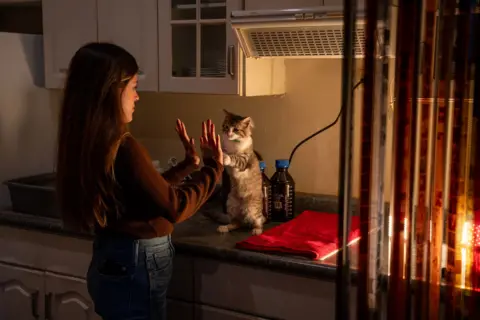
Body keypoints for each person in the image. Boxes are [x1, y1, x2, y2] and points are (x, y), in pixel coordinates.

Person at [56, 42, 224, 320]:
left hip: (111, 258)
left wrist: (186, 167)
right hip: (136, 262)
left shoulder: (89, 141)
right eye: (133, 87)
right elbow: (175, 207)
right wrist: (213, 168)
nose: (137, 97)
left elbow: (139, 192)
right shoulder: (124, 147)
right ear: (112, 91)